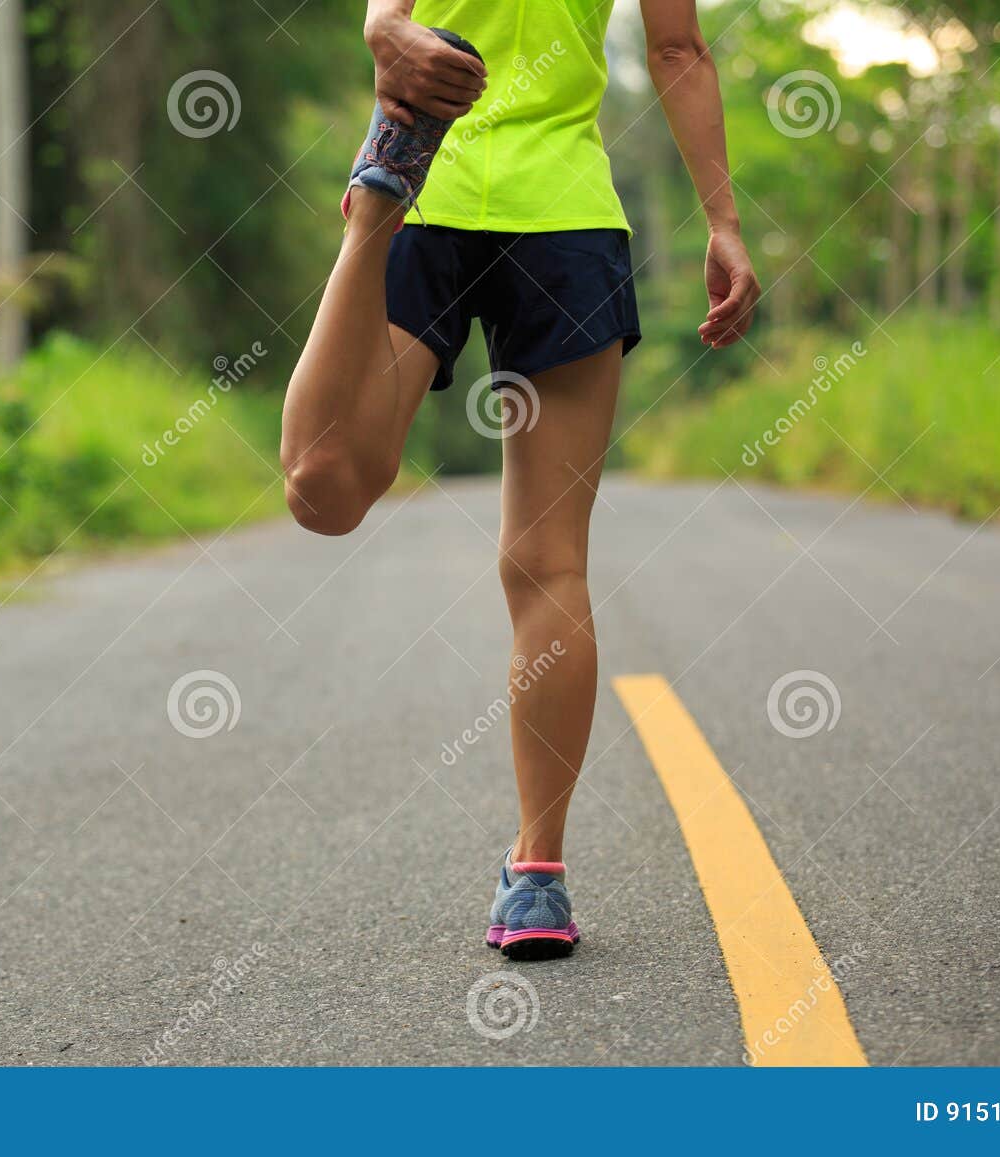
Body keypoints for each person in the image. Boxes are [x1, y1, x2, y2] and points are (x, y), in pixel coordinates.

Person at [280, 0, 758, 959]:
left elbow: (388, 21)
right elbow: (675, 47)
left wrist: (390, 42)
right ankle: (535, 876)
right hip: (557, 218)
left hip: (450, 187)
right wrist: (723, 222)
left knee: (326, 488)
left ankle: (370, 209)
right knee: (543, 563)